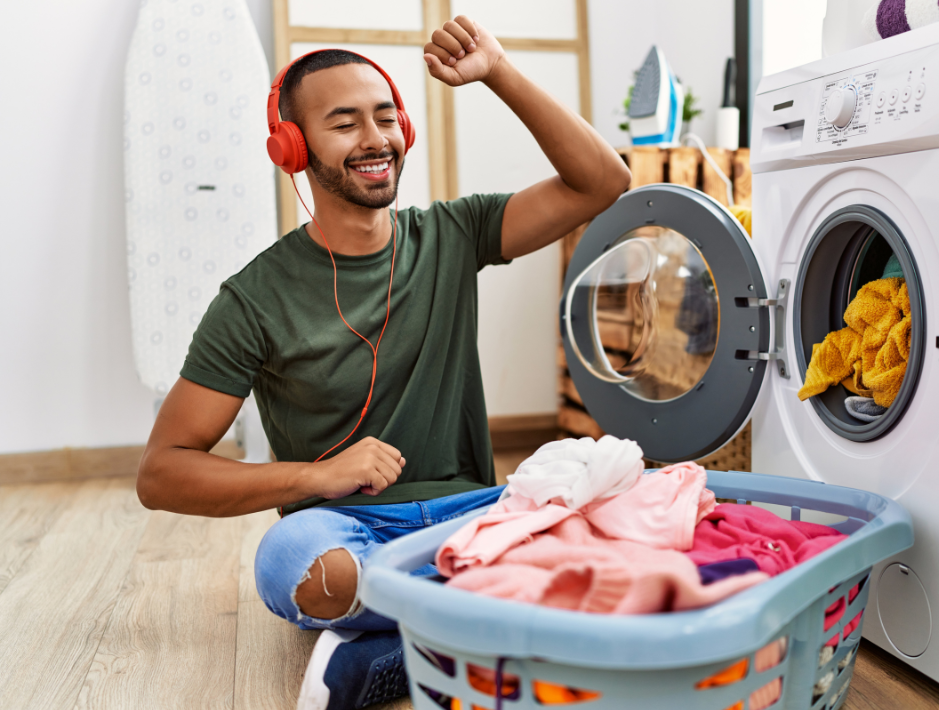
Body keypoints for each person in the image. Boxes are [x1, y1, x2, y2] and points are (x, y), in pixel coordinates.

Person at [135, 15, 630, 710]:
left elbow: (602, 181)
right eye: (345, 123)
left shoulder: (455, 233)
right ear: (292, 146)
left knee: (619, 506)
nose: (376, 140)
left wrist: (500, 73)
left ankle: (399, 652)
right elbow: (162, 472)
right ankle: (498, 622)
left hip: (472, 513)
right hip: (346, 530)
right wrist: (315, 476)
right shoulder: (252, 300)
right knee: (295, 568)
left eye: (386, 117)